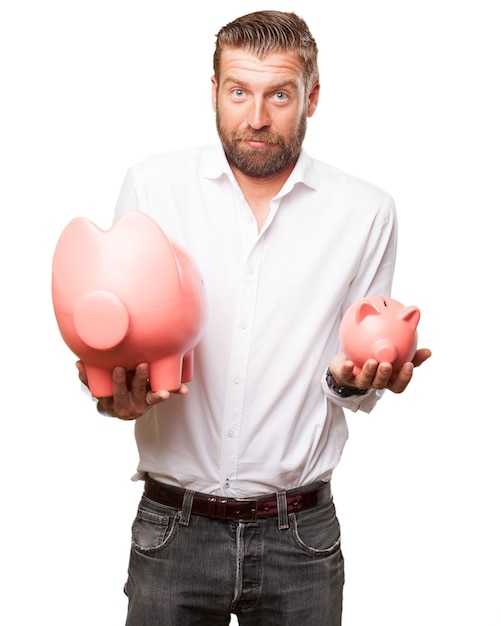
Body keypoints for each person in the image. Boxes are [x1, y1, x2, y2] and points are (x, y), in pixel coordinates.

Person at [77, 10, 431, 625]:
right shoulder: (153, 186)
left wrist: (358, 379)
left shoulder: (365, 211)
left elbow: (348, 374)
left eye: (280, 95)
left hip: (301, 538)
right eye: (239, 91)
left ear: (312, 97)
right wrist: (113, 395)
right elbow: (112, 336)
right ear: (212, 90)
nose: (257, 118)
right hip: (172, 531)